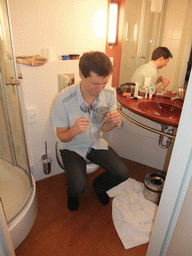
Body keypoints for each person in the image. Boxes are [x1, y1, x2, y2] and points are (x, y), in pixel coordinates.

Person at [50, 51, 130, 211]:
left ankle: (99, 186)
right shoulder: (62, 100)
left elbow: (104, 128)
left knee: (123, 173)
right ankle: (72, 193)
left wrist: (112, 123)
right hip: (71, 147)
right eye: (95, 84)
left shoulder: (109, 94)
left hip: (95, 142)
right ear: (81, 74)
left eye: (104, 83)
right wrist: (73, 130)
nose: (100, 88)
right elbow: (62, 137)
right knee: (79, 187)